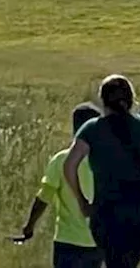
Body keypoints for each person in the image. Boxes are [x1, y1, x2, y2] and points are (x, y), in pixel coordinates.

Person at [63, 75, 140, 268]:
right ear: (131, 99)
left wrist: (82, 201)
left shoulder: (92, 129)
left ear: (103, 101)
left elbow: (69, 165)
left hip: (107, 215)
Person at [15, 102, 104, 268]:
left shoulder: (61, 160)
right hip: (98, 241)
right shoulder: (106, 162)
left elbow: (43, 198)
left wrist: (29, 226)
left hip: (68, 242)